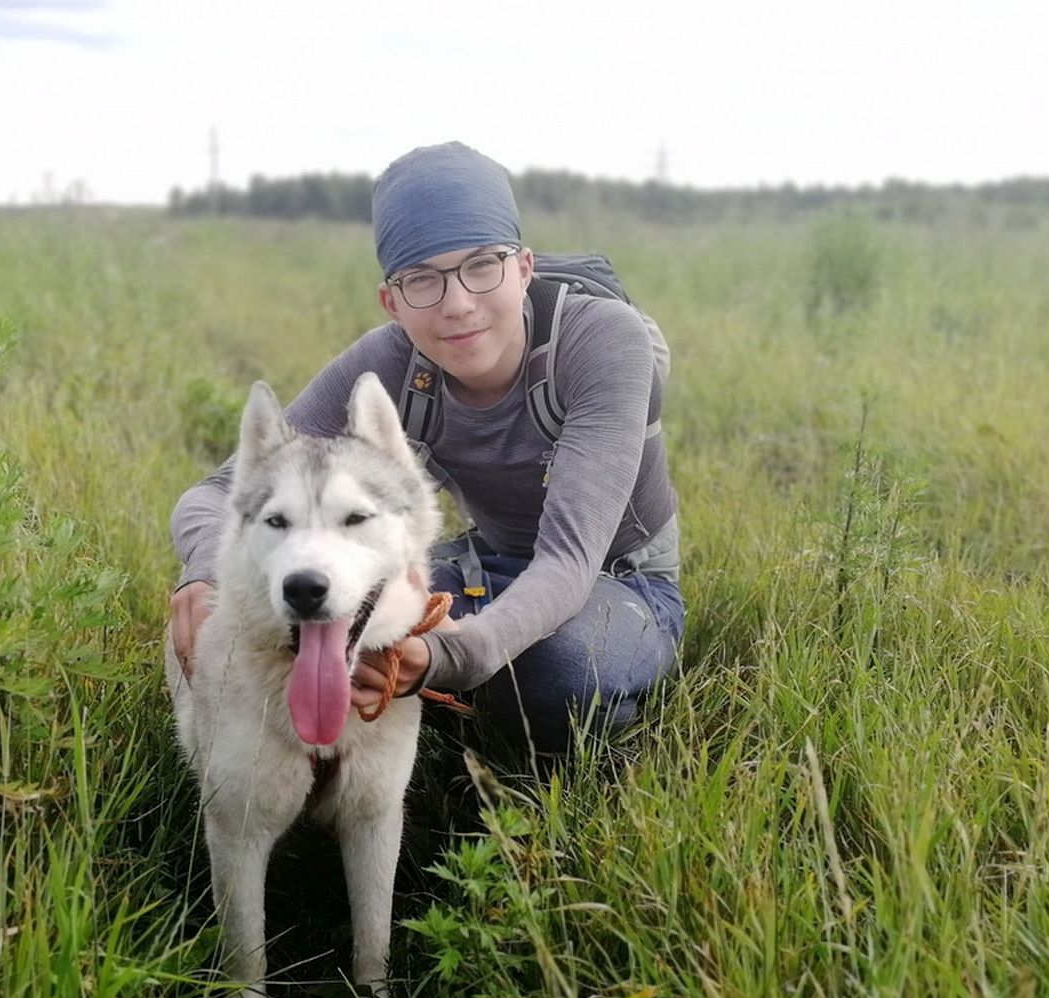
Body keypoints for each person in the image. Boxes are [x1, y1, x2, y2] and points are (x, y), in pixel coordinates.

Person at [169, 142, 682, 762]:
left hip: (617, 579)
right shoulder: (386, 361)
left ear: (523, 268)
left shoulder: (600, 341)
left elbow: (570, 557)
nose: (457, 303)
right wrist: (202, 573)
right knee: (321, 610)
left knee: (560, 671)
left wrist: (448, 655)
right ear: (392, 302)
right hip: (480, 569)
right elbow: (216, 494)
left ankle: (505, 723)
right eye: (422, 279)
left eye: (482, 265)